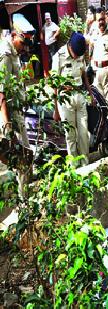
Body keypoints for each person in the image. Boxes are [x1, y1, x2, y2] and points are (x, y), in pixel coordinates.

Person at [52, 32, 94, 166]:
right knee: (70, 135)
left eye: (79, 54)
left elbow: (84, 76)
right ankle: (74, 167)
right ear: (69, 45)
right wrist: (56, 109)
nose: (77, 56)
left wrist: (90, 94)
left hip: (79, 96)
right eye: (74, 53)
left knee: (83, 133)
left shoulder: (80, 53)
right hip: (65, 99)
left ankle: (85, 165)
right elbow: (54, 84)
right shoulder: (59, 57)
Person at [0, 30, 32, 197]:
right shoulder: (5, 55)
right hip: (11, 117)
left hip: (17, 113)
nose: (24, 47)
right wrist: (7, 126)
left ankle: (23, 199)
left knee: (24, 159)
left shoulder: (14, 52)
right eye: (22, 42)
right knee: (22, 160)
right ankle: (23, 202)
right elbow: (1, 93)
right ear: (13, 35)